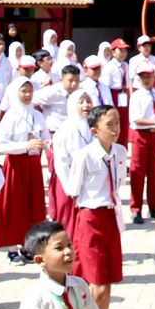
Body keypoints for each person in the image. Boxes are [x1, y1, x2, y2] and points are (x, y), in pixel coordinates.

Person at [63, 105, 126, 309]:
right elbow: (74, 191)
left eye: (118, 123)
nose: (116, 128)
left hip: (111, 216)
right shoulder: (85, 156)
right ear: (94, 130)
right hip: (90, 218)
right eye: (109, 124)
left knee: (107, 284)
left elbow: (119, 183)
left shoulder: (120, 152)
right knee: (94, 285)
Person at [0, 78, 50, 262]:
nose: (27, 95)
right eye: (23, 91)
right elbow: (2, 145)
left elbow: (46, 137)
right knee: (14, 205)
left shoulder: (37, 115)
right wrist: (25, 145)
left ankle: (28, 245)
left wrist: (46, 144)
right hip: (16, 166)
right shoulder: (11, 116)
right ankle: (12, 248)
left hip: (33, 165)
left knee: (31, 205)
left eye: (29, 91)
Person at [127, 62, 155, 225]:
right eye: (143, 76)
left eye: (148, 76)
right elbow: (136, 119)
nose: (146, 79)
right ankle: (135, 209)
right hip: (141, 135)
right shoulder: (137, 96)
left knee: (154, 172)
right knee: (137, 172)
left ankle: (153, 205)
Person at [51, 90, 92, 239]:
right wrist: (70, 187)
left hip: (87, 181)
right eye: (80, 102)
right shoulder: (65, 130)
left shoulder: (92, 127)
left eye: (88, 101)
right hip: (68, 181)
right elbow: (61, 162)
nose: (85, 105)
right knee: (68, 219)